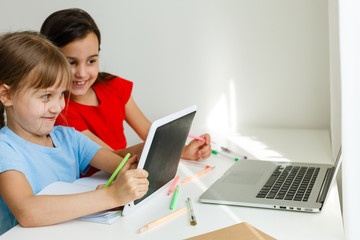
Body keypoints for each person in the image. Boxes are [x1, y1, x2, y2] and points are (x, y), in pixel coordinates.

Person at [0, 31, 149, 235]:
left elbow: (123, 164)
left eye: (61, 94)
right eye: (46, 96)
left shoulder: (69, 138)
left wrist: (148, 152)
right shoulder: (5, 148)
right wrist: (110, 196)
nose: (57, 107)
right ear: (6, 95)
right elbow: (27, 212)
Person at [40, 8, 212, 176]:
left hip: (128, 174)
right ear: (49, 61)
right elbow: (107, 159)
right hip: (97, 185)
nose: (82, 73)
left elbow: (150, 132)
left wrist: (183, 151)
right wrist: (144, 149)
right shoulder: (58, 110)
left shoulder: (114, 87)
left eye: (91, 61)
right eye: (71, 62)